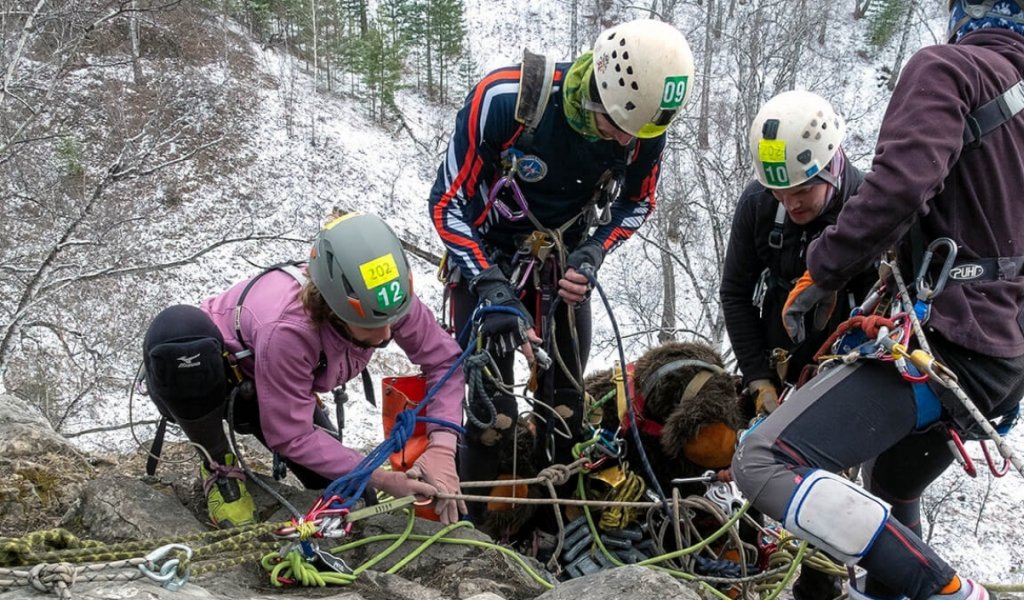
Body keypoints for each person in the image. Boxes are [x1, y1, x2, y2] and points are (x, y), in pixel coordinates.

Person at [732, 1, 1024, 599]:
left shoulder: (947, 69)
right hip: (1005, 358)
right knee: (891, 483)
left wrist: (824, 268)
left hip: (946, 345)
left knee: (763, 460)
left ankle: (945, 591)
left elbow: (900, 188)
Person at [428, 18, 695, 527]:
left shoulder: (643, 130)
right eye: (616, 126)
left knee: (568, 409)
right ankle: (473, 536)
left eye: (634, 134)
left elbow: (639, 202)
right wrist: (490, 286)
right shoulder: (507, 100)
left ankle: (557, 529)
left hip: (561, 268)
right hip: (485, 259)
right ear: (599, 92)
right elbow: (445, 203)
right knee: (492, 416)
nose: (623, 143)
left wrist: (593, 252)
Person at [142, 212, 468, 527]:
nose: (385, 336)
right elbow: (291, 434)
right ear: (334, 309)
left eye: (390, 323)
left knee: (353, 496)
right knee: (180, 335)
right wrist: (383, 476)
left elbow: (444, 362)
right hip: (215, 378)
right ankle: (217, 462)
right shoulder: (291, 329)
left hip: (285, 385)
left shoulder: (387, 301)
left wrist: (442, 446)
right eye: (369, 326)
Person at [720, 89, 869, 417]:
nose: (790, 205)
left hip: (843, 368)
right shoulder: (758, 204)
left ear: (832, 169)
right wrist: (757, 377)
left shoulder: (869, 211)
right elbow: (735, 293)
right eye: (779, 193)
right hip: (774, 360)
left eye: (802, 191)